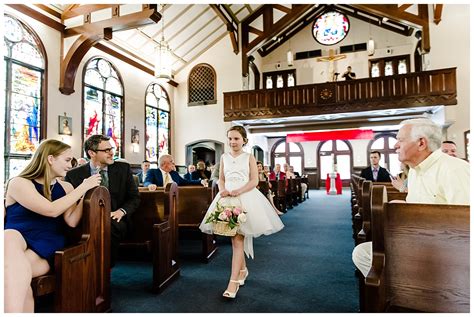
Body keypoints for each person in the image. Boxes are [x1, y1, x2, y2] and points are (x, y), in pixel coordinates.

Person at [353, 118, 470, 277]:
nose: (395, 145)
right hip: (421, 240)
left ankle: (417, 290)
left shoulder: (454, 170)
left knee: (371, 256)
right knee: (363, 253)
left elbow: (466, 228)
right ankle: (406, 289)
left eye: (400, 140)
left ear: (421, 143)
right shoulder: (415, 171)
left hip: (447, 251)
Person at [4, 139, 101, 313]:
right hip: (17, 236)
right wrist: (83, 186)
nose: (70, 165)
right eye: (66, 160)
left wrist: (84, 191)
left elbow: (71, 221)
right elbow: (50, 210)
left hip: (46, 244)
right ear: (50, 159)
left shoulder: (66, 187)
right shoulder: (19, 182)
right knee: (8, 238)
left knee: (14, 274)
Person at [199, 126, 284, 299]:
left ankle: (233, 282)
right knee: (235, 238)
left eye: (236, 139)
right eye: (230, 138)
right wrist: (222, 189)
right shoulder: (223, 157)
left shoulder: (249, 157)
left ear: (244, 140)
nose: (232, 142)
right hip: (226, 198)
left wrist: (239, 190)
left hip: (246, 198)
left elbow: (254, 180)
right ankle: (243, 270)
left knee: (237, 240)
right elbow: (221, 178)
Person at [65, 135, 140, 267]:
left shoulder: (123, 169)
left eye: (111, 149)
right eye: (106, 150)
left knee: (107, 227)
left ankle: (103, 271)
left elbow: (134, 197)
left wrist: (121, 212)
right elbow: (72, 202)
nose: (112, 153)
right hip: (85, 219)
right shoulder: (74, 174)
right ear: (92, 153)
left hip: (116, 218)